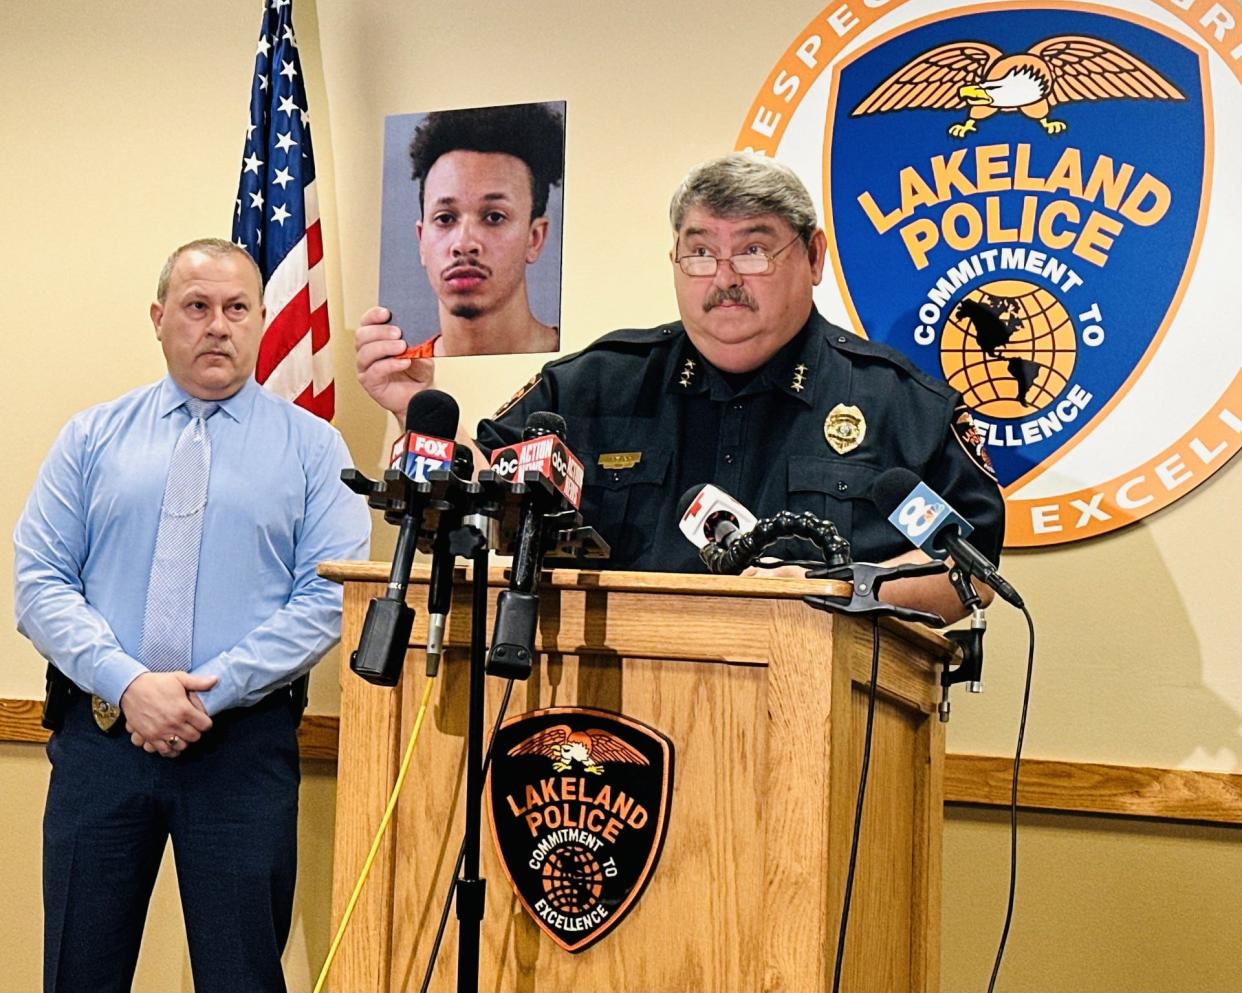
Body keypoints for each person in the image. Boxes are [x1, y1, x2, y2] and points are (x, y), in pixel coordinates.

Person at [355, 154, 1004, 621]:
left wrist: (831, 589)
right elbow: (486, 486)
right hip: (607, 734)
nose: (723, 277)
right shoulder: (597, 386)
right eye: (699, 253)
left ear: (813, 257)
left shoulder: (900, 406)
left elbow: (968, 575)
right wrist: (414, 412)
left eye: (753, 251)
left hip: (820, 732)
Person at [13, 238, 371, 993]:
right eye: (197, 306)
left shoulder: (313, 450)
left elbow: (327, 597)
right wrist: (131, 684)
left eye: (237, 308)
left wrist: (208, 690)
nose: (218, 325)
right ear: (159, 318)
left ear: (262, 318)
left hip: (241, 750)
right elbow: (39, 580)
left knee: (241, 975)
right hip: (102, 742)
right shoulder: (91, 438)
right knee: (80, 969)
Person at [395, 102, 564, 357]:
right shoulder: (398, 378)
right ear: (421, 241)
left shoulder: (584, 371)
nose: (464, 244)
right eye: (445, 218)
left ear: (534, 238)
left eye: (494, 217)